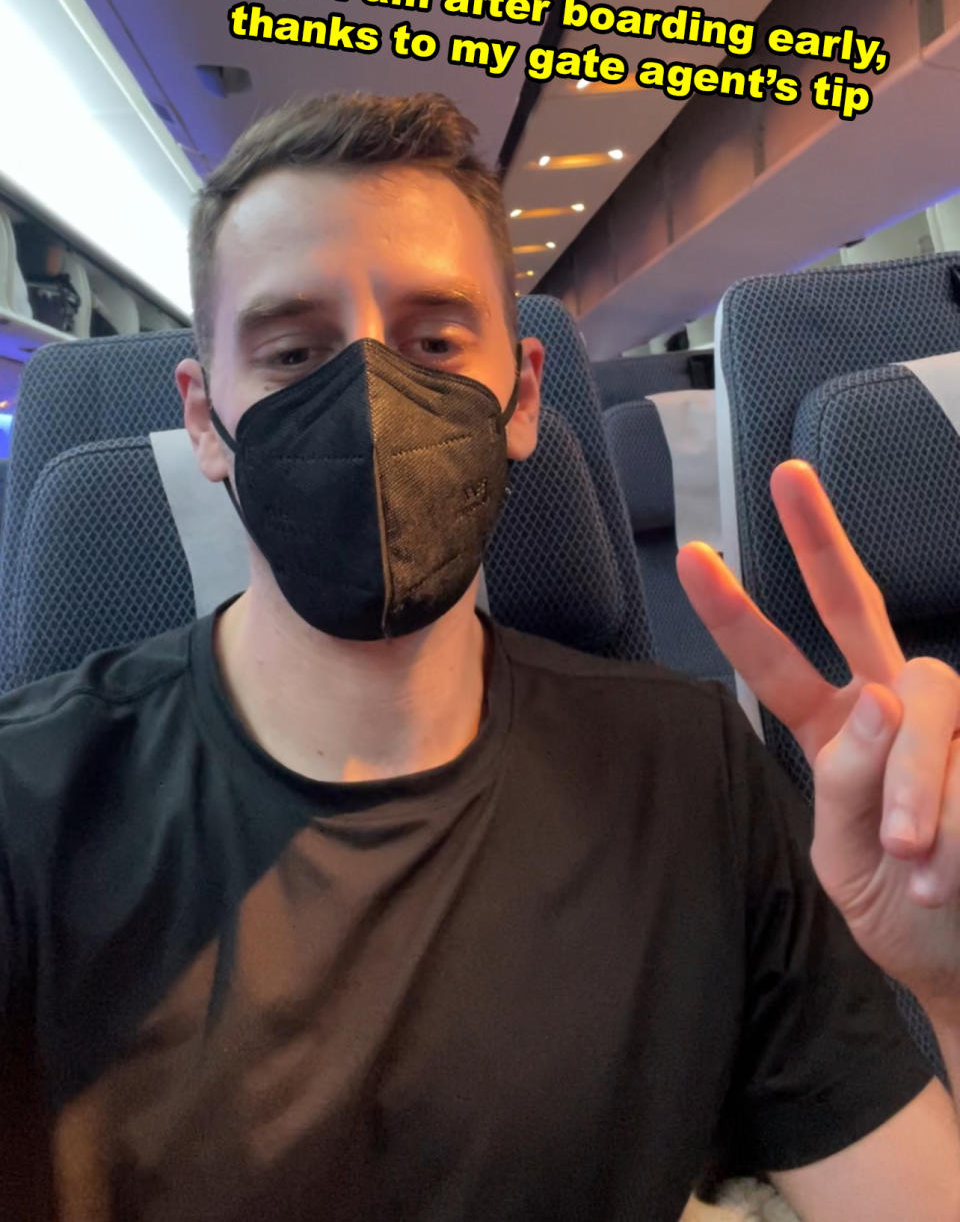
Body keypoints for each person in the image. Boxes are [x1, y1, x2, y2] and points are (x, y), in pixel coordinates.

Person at [1, 91, 959, 1222]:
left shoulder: (690, 774)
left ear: (520, 396)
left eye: (436, 342)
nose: (369, 399)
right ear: (205, 417)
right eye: (296, 348)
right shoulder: (30, 804)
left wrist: (947, 982)